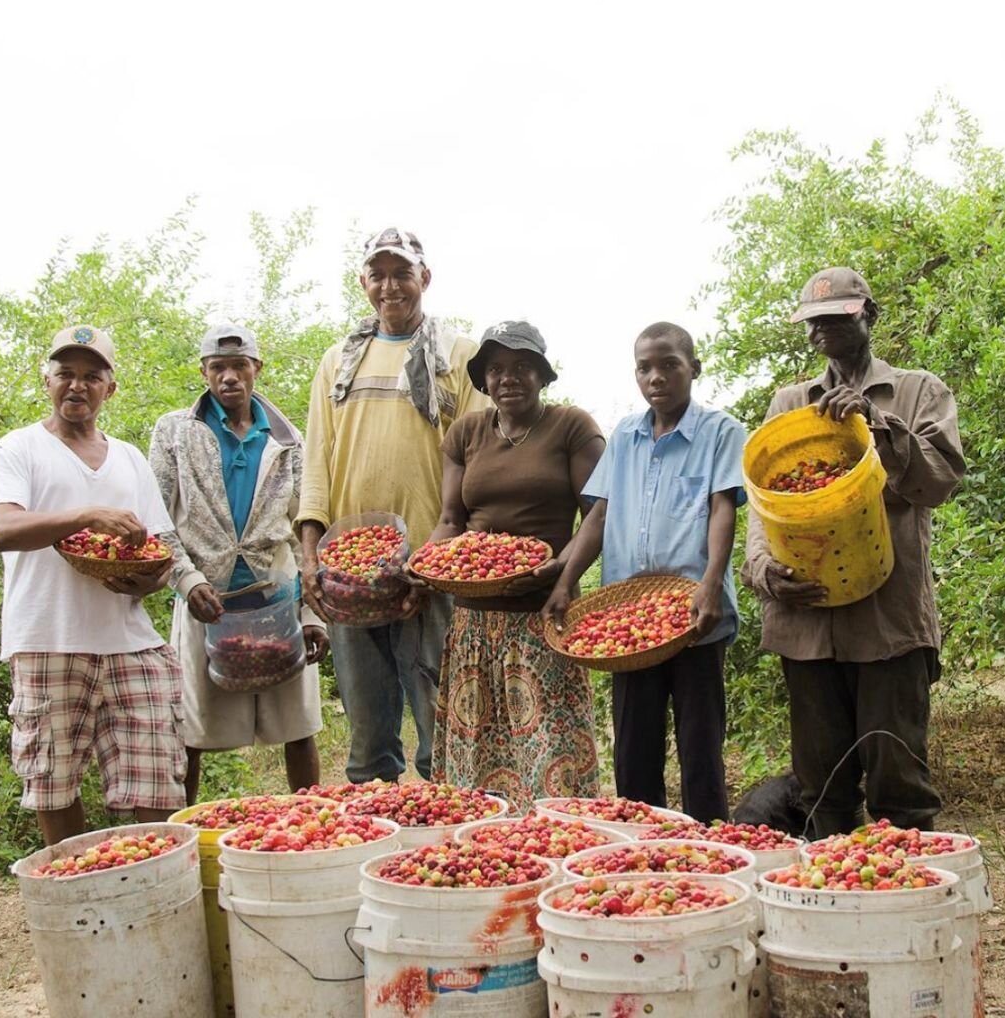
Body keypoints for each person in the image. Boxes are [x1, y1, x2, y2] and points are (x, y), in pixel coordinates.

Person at [741, 267, 966, 838]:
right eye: (814, 321)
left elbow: (937, 484)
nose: (824, 331)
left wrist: (881, 427)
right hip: (808, 621)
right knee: (823, 785)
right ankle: (836, 905)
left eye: (837, 316)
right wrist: (764, 570)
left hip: (887, 620)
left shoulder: (919, 393)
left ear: (869, 314)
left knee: (899, 781)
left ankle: (911, 905)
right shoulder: (791, 404)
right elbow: (764, 502)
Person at [298, 227, 487, 783]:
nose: (390, 286)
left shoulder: (460, 355)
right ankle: (371, 842)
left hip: (429, 571)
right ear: (363, 284)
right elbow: (316, 462)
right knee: (367, 727)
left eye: (402, 273)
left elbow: (475, 465)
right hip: (348, 571)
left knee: (440, 719)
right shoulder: (339, 362)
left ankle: (444, 840)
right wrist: (311, 558)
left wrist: (437, 560)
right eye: (377, 275)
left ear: (424, 278)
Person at [0, 326, 181, 845]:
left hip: (130, 641)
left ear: (109, 390)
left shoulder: (131, 459)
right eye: (65, 374)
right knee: (53, 782)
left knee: (157, 783)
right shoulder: (20, 448)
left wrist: (144, 579)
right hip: (48, 637)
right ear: (46, 380)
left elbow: (159, 555)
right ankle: (72, 895)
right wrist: (86, 516)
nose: (77, 386)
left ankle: (148, 895)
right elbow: (3, 530)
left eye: (92, 377)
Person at [544, 322, 746, 822]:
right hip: (630, 621)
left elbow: (723, 508)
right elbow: (600, 515)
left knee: (701, 748)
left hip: (695, 616)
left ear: (694, 368)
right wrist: (566, 582)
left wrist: (711, 584)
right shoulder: (626, 436)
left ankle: (709, 848)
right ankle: (639, 850)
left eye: (669, 365)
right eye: (644, 368)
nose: (656, 377)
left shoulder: (720, 432)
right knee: (634, 750)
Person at [424, 321, 605, 810]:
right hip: (475, 619)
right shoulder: (465, 432)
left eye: (523, 367)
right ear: (483, 379)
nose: (509, 378)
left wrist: (562, 577)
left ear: (543, 374)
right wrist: (422, 563)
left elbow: (599, 514)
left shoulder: (572, 426)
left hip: (541, 613)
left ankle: (558, 838)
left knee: (551, 743)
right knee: (477, 746)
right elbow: (450, 520)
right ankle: (484, 843)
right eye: (497, 369)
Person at [149, 324, 327, 802]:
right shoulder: (175, 432)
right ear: (204, 372)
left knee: (298, 724)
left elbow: (305, 524)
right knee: (191, 729)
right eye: (218, 367)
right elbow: (156, 518)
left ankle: (315, 823)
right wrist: (186, 581)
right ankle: (184, 835)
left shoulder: (287, 439)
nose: (229, 377)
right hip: (207, 598)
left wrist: (311, 612)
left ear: (257, 369)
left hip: (277, 597)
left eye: (239, 366)